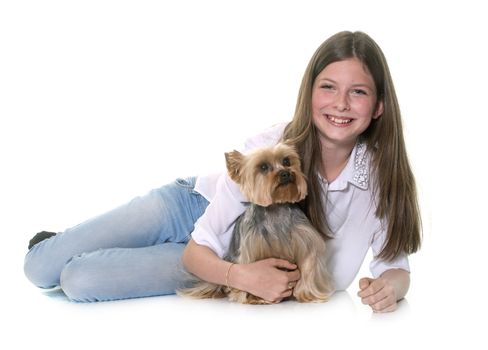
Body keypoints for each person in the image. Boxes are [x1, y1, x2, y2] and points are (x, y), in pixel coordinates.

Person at [24, 31, 421, 312]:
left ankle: (96, 251)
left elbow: (394, 267)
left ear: (379, 106)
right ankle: (62, 241)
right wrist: (245, 279)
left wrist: (390, 289)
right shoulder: (271, 145)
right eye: (328, 87)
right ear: (310, 93)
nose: (341, 104)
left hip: (226, 255)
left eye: (359, 92)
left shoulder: (379, 183)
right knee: (40, 266)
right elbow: (203, 244)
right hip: (192, 208)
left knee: (79, 281)